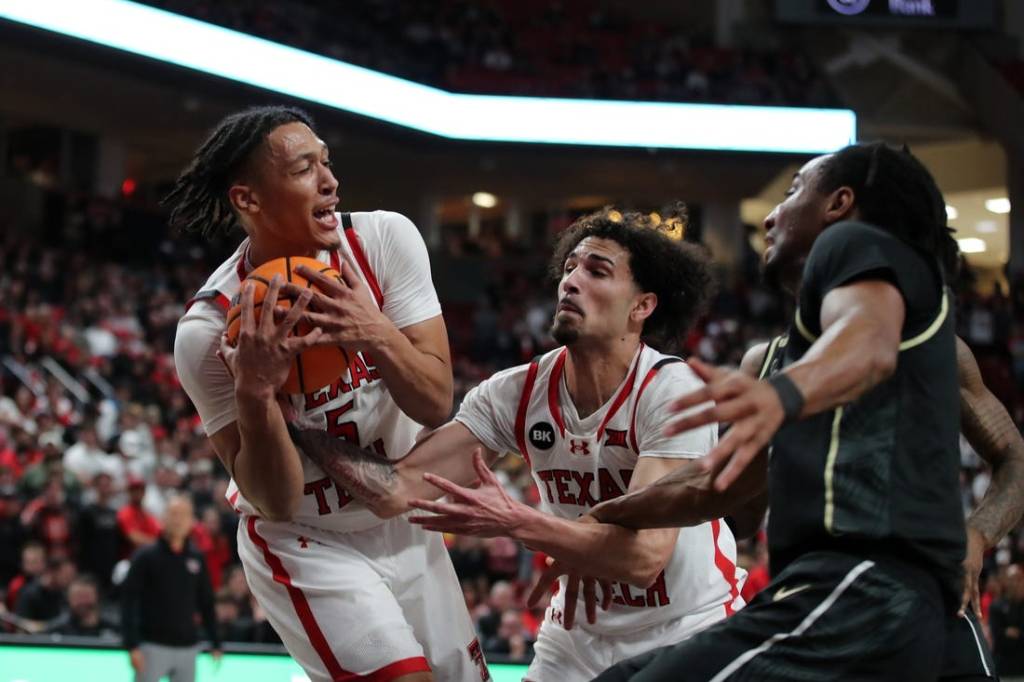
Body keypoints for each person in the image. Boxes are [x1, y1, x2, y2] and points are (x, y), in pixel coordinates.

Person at [587, 142, 992, 680]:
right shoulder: (802, 351)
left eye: (794, 191)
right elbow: (722, 490)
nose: (773, 214)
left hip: (858, 587)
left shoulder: (854, 241)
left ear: (839, 203)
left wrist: (779, 396)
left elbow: (866, 342)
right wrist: (601, 518)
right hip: (898, 610)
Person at [293, 207, 746, 682]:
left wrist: (516, 522)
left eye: (597, 271)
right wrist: (296, 424)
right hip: (579, 635)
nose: (571, 281)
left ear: (642, 307)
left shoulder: (672, 389)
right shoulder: (516, 392)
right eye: (569, 267)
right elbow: (399, 488)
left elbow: (644, 558)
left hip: (688, 626)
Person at [170, 105, 483, 682]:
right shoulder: (210, 331)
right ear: (249, 200)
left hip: (403, 520)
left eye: (327, 162)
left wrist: (374, 331)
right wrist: (257, 392)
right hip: (306, 538)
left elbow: (436, 402)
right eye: (303, 168)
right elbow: (277, 500)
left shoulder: (384, 240)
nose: (330, 181)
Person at [121, 495, 221, 682]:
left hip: (188, 646)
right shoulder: (145, 556)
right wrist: (131, 645)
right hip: (151, 644)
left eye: (183, 515)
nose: (178, 520)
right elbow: (128, 600)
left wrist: (215, 641)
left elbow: (206, 602)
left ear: (192, 521)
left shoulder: (197, 558)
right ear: (162, 518)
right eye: (173, 514)